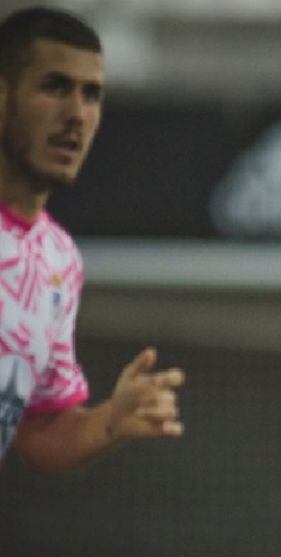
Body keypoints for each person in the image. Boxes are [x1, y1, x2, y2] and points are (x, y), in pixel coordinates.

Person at [0, 7, 184, 470]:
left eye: (91, 95)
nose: (76, 115)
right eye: (55, 87)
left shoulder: (57, 261)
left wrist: (111, 421)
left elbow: (40, 427)